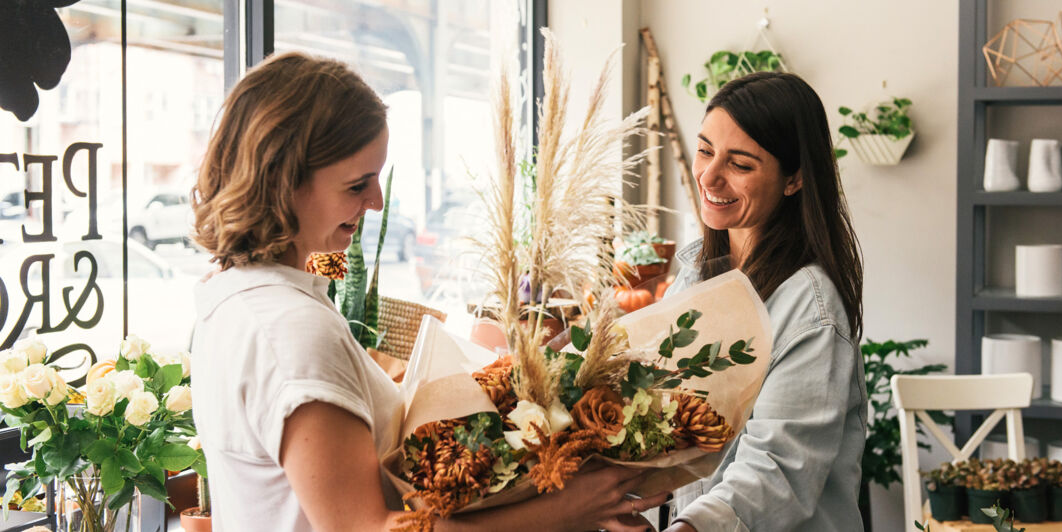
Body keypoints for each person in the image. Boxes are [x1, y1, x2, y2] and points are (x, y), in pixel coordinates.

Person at [189, 51, 665, 532]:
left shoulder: (232, 297)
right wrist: (568, 510)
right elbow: (369, 529)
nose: (375, 202)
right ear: (282, 182)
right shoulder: (292, 332)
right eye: (358, 185)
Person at [661, 72, 866, 532]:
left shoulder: (810, 309)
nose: (709, 176)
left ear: (793, 179)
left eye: (741, 164)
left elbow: (778, 471)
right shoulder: (696, 273)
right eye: (706, 150)